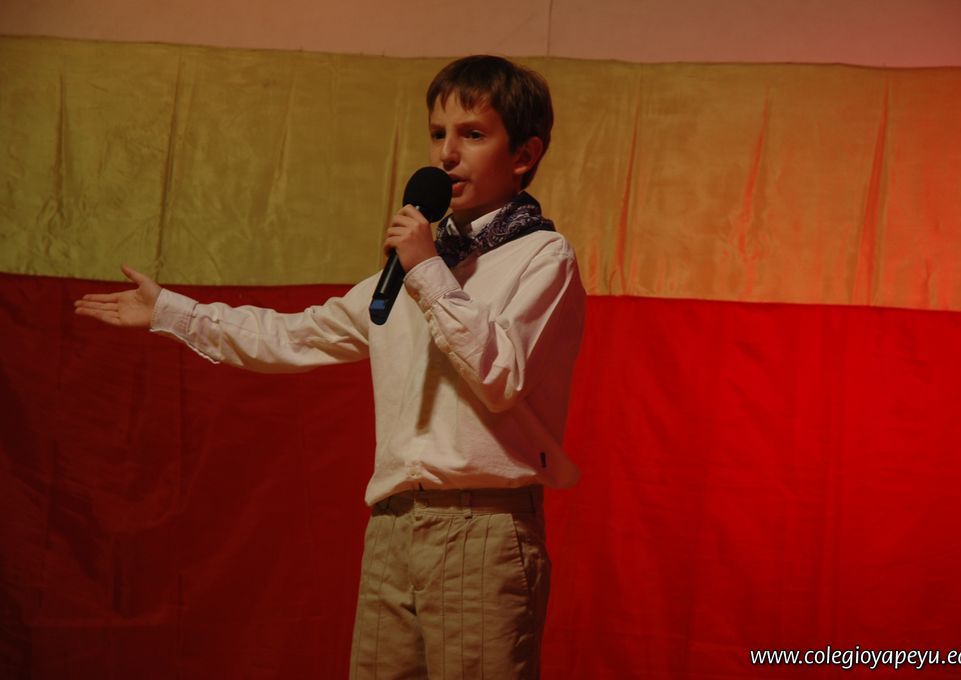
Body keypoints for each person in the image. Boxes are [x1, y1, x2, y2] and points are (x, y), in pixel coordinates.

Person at [75, 55, 585, 679]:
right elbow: (293, 336)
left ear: (524, 154)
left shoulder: (541, 256)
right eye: (437, 134)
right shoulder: (414, 271)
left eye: (472, 134)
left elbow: (500, 377)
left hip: (483, 528)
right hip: (393, 528)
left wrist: (426, 269)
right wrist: (172, 312)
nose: (446, 154)